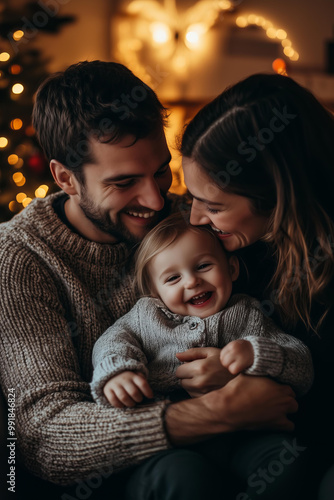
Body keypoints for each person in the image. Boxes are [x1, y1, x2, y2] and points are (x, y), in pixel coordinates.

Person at [0, 61, 298, 500]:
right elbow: (44, 436)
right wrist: (217, 412)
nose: (157, 199)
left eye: (161, 170)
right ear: (65, 178)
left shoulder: (195, 220)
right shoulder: (20, 258)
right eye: (124, 182)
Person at [179, 72, 334, 499]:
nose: (193, 217)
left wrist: (256, 383)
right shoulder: (228, 250)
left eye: (212, 206)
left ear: (278, 196)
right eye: (191, 196)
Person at [90, 212, 313, 409]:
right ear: (154, 292)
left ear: (232, 268)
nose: (191, 282)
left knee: (273, 450)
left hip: (242, 418)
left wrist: (256, 354)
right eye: (173, 278)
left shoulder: (247, 312)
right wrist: (119, 371)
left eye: (203, 266)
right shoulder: (146, 315)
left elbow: (301, 366)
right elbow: (112, 341)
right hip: (164, 414)